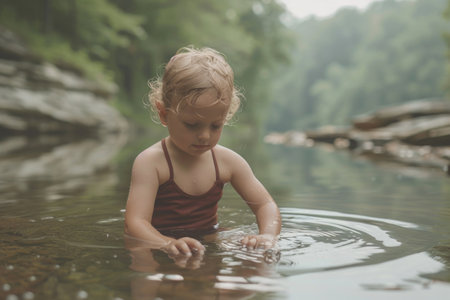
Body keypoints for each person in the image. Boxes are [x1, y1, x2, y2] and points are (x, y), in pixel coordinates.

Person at [124, 46, 281, 258]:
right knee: (144, 270)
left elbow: (265, 205)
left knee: (256, 260)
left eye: (215, 126)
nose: (205, 136)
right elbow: (135, 223)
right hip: (158, 244)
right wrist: (167, 243)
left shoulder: (228, 162)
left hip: (209, 239)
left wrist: (267, 236)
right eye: (191, 124)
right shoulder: (151, 163)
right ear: (164, 114)